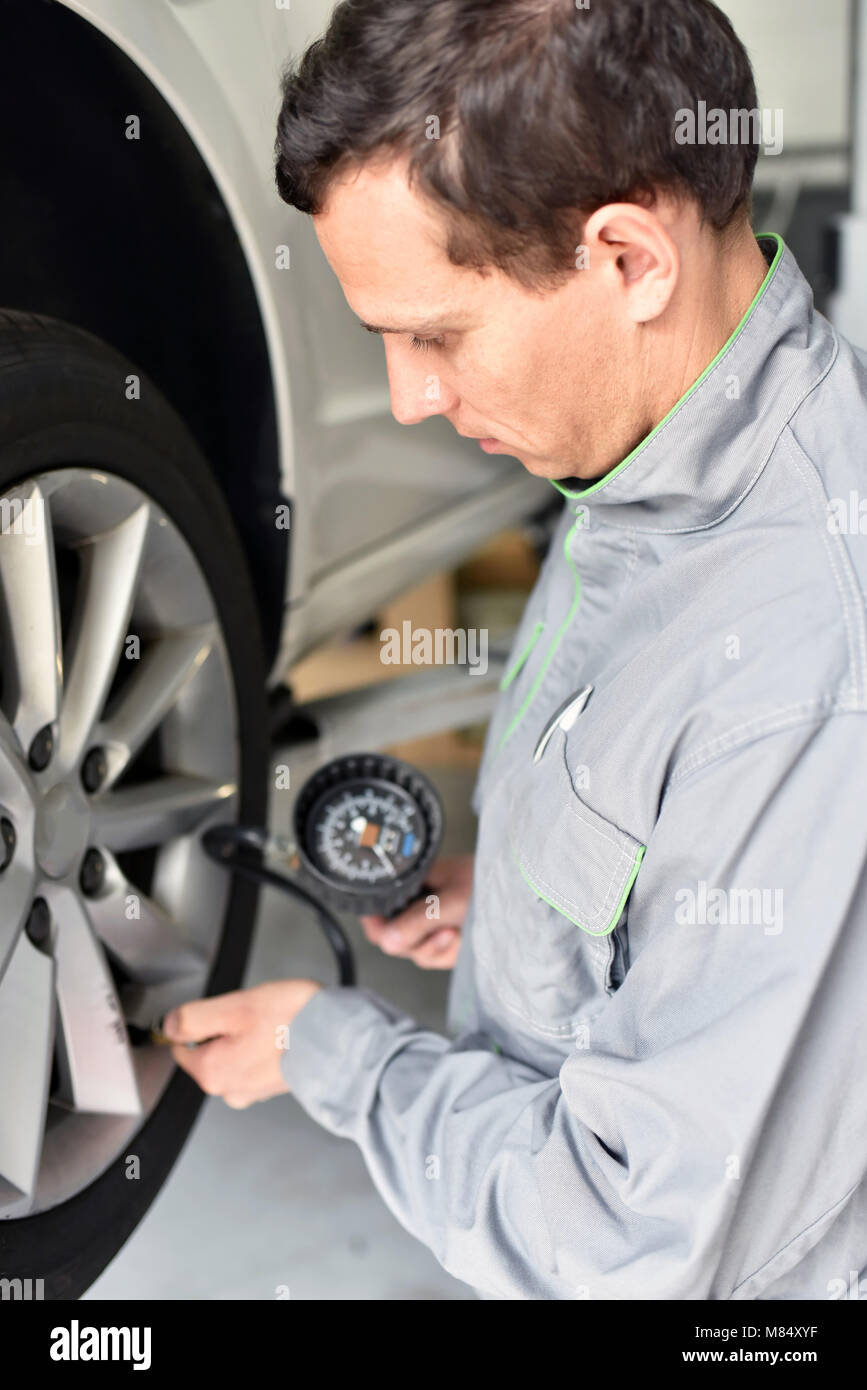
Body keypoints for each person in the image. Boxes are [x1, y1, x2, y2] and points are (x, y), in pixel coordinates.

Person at [161, 0, 867, 1299]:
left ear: (628, 259)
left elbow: (626, 1245)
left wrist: (339, 1058)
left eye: (436, 332)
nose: (409, 397)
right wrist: (550, 906)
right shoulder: (649, 436)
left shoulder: (806, 662)